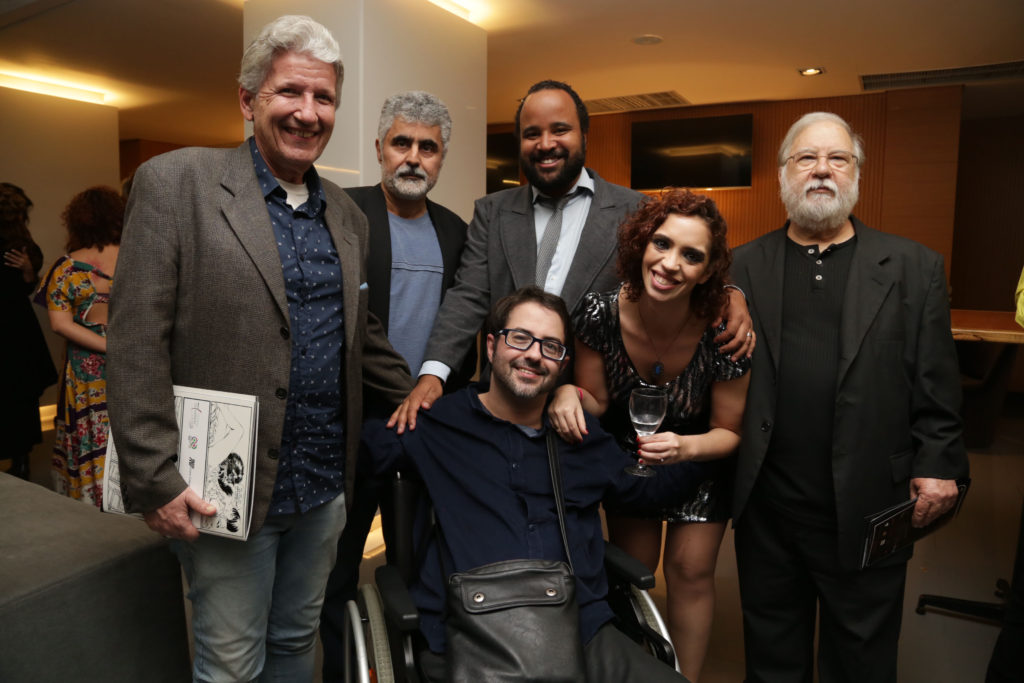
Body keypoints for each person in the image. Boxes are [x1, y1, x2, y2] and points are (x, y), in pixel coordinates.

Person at [106, 15, 412, 682]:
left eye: (323, 97)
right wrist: (157, 477)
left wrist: (432, 391)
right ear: (248, 100)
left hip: (323, 487)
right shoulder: (176, 184)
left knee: (298, 640)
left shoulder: (348, 216)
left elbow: (359, 335)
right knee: (231, 659)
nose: (308, 113)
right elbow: (134, 343)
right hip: (223, 491)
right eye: (289, 93)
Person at [730, 111, 969, 682]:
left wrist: (940, 465)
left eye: (837, 158)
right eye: (806, 158)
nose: (821, 171)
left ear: (856, 174)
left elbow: (938, 384)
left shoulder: (914, 268)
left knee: (861, 657)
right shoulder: (740, 266)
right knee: (772, 655)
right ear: (783, 174)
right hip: (770, 506)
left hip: (869, 502)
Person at [363, 286, 695, 682]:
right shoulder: (438, 424)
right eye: (520, 337)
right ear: (491, 346)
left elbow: (644, 490)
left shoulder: (579, 434)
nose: (534, 354)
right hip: (469, 632)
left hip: (581, 631)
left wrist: (711, 444)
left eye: (551, 347)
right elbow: (358, 451)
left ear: (562, 364)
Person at [390, 79, 755, 431]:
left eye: (560, 130)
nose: (545, 143)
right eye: (532, 133)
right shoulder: (492, 211)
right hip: (501, 407)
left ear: (584, 137)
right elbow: (467, 296)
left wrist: (731, 295)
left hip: (587, 417)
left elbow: (680, 272)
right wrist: (433, 375)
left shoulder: (636, 210)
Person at [548, 189, 750, 682]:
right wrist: (565, 393)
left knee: (690, 571)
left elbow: (729, 431)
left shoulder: (724, 329)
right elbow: (595, 401)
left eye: (691, 255)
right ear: (642, 244)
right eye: (662, 244)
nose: (670, 263)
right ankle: (637, 673)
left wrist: (686, 447)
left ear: (708, 272)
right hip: (629, 456)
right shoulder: (599, 312)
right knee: (632, 571)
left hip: (699, 456)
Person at [319, 90, 472, 680]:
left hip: (427, 427)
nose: (413, 157)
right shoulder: (343, 215)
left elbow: (468, 322)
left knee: (416, 566)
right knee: (335, 564)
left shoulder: (457, 232)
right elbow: (347, 324)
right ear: (379, 148)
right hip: (353, 421)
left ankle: (406, 669)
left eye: (427, 147)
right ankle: (342, 669)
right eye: (402, 143)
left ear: (441, 158)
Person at [34, 186, 122, 505]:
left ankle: (97, 497)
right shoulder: (138, 258)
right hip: (135, 360)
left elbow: (61, 324)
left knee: (92, 428)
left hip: (86, 370)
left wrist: (105, 345)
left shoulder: (66, 269)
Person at [1, 182, 57, 480]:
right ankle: (19, 459)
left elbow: (29, 285)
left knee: (18, 392)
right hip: (16, 326)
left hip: (14, 326)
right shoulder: (21, 240)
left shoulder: (22, 243)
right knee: (17, 392)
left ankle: (20, 460)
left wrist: (26, 269)